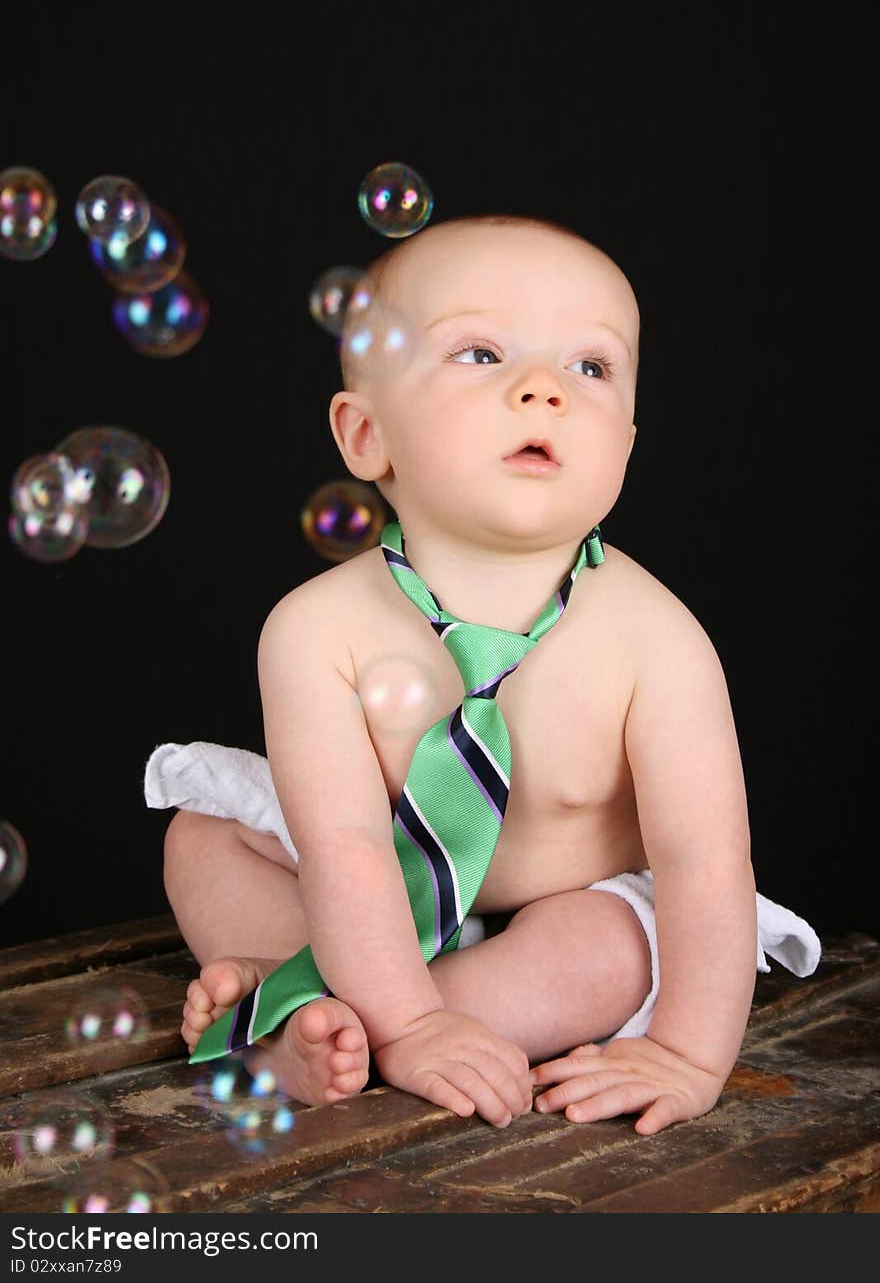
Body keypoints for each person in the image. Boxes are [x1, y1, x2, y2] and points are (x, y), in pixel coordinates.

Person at [148, 214, 820, 1136]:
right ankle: (336, 1006)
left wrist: (687, 1054)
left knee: (609, 948)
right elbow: (344, 847)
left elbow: (705, 863)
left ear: (625, 443)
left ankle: (313, 1022)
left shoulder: (657, 639)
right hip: (373, 891)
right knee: (205, 839)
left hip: (553, 918)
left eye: (590, 367)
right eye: (479, 353)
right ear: (365, 435)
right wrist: (409, 1017)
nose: (544, 390)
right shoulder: (314, 630)